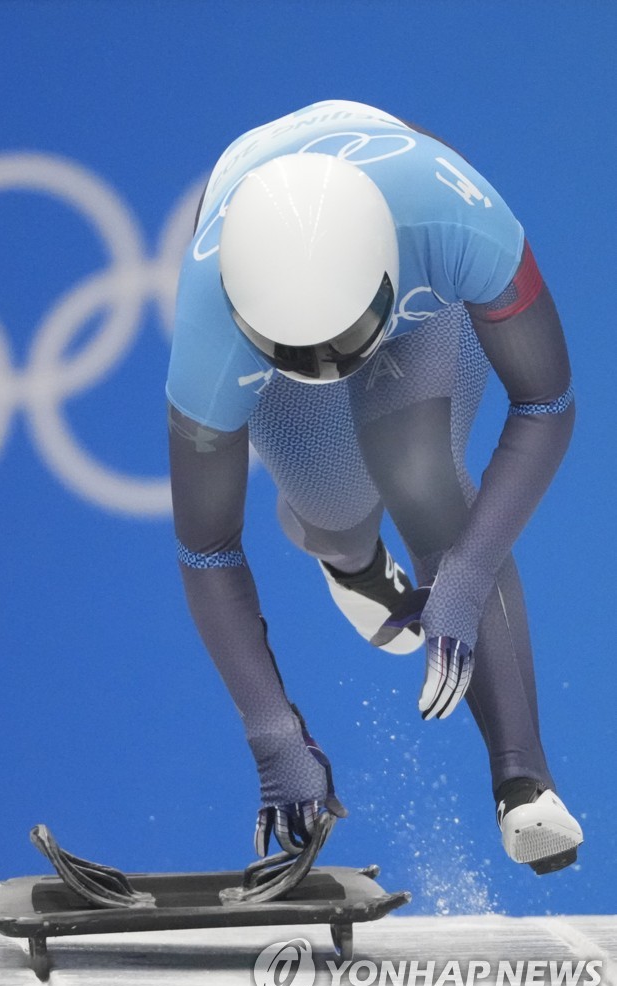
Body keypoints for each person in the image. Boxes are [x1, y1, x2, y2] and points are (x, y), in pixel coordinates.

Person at [166, 99, 583, 875]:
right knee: (333, 507)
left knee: (419, 473)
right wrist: (273, 732)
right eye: (302, 356)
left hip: (412, 285)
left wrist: (464, 573)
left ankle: (523, 781)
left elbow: (548, 403)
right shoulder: (209, 329)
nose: (331, 371)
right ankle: (352, 562)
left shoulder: (458, 224)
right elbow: (206, 547)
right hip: (293, 285)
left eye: (343, 343)